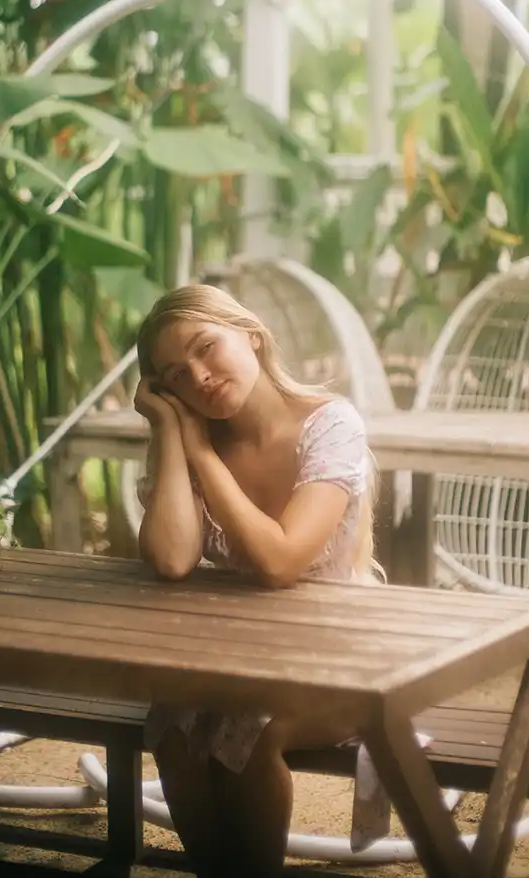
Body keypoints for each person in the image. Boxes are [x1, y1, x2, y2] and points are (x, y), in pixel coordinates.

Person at [134, 283, 382, 878]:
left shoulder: (330, 424)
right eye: (176, 375)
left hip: (344, 653)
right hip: (242, 652)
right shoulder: (193, 437)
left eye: (205, 347)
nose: (199, 376)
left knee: (248, 730)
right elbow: (172, 559)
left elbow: (280, 561)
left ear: (250, 334)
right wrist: (171, 431)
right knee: (172, 726)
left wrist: (203, 454)